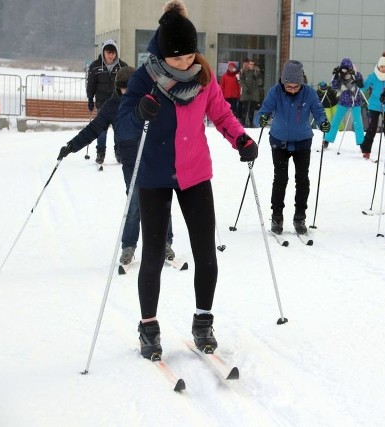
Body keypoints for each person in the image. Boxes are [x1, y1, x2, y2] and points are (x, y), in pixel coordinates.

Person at [116, 0, 258, 359]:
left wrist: (240, 138)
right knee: (152, 254)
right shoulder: (144, 79)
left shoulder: (203, 77)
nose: (184, 64)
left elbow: (221, 113)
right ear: (163, 54)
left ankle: (203, 320)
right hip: (155, 176)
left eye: (189, 56)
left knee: (205, 252)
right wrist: (138, 111)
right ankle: (148, 326)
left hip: (195, 174)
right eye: (176, 59)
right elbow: (124, 123)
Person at [58, 66, 175, 265]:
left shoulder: (150, 99)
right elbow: (94, 128)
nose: (127, 93)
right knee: (135, 202)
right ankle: (128, 246)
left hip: (154, 158)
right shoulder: (113, 106)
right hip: (130, 161)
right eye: (123, 89)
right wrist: (72, 146)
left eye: (130, 88)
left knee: (160, 200)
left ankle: (164, 242)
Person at [257, 60, 329, 235]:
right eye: (289, 87)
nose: (292, 90)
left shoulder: (309, 93)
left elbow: (318, 112)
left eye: (296, 87)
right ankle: (277, 216)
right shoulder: (275, 92)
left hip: (302, 141)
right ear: (283, 82)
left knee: (302, 179)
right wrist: (262, 118)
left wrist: (323, 122)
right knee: (280, 179)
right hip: (279, 141)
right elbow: (264, 111)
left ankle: (300, 216)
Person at [86, 39, 128, 165]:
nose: (111, 55)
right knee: (101, 130)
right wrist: (90, 99)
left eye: (113, 53)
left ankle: (119, 152)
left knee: (118, 129)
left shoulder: (122, 66)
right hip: (102, 104)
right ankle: (100, 152)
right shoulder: (95, 66)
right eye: (108, 52)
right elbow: (91, 85)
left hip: (118, 103)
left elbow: (128, 85)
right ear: (103, 52)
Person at [324, 58, 365, 150]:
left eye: (347, 68)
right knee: (335, 121)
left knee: (358, 123)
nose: (344, 71)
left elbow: (361, 85)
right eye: (343, 68)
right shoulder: (339, 76)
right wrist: (335, 76)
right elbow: (334, 87)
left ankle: (362, 142)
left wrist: (358, 81)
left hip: (356, 101)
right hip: (343, 101)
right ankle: (327, 139)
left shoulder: (356, 74)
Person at [239, 58, 262, 127]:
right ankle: (243, 122)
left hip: (254, 93)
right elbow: (241, 81)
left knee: (252, 109)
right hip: (246, 93)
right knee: (245, 108)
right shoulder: (243, 71)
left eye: (253, 64)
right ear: (248, 64)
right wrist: (246, 89)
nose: (251, 65)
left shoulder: (257, 72)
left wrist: (257, 79)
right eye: (250, 64)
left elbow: (260, 82)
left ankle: (251, 123)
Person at [316, 81, 340, 148]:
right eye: (323, 88)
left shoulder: (330, 89)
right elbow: (317, 99)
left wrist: (335, 95)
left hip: (334, 104)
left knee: (337, 117)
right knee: (328, 119)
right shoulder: (318, 92)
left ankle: (341, 129)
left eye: (325, 87)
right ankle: (327, 131)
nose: (324, 89)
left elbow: (335, 93)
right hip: (326, 107)